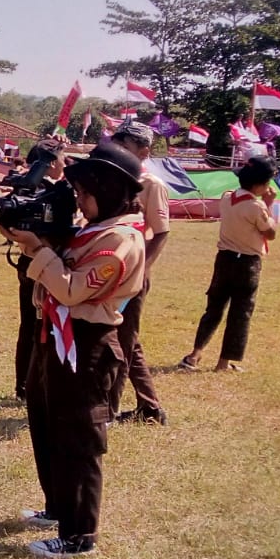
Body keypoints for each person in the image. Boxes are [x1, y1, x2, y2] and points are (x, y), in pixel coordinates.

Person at [2, 141, 146, 559]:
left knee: (79, 437)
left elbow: (71, 290)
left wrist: (41, 249)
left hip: (87, 345)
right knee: (48, 425)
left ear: (109, 189)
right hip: (58, 339)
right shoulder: (92, 231)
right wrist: (29, 237)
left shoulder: (119, 239)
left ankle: (80, 536)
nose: (78, 200)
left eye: (85, 192)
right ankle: (58, 507)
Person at [179, 156, 277, 373]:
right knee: (240, 312)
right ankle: (224, 362)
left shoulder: (226, 198)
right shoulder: (256, 206)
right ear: (260, 184)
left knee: (213, 307)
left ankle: (195, 354)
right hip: (247, 263)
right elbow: (270, 234)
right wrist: (268, 206)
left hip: (224, 259)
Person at [107, 122, 168, 423]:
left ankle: (108, 409)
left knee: (122, 340)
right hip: (107, 269)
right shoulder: (110, 177)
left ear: (143, 152)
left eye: (124, 146)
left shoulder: (151, 184)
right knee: (126, 336)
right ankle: (150, 407)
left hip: (132, 273)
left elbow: (161, 231)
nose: (117, 150)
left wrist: (143, 270)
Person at [10, 140, 65, 399]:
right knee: (36, 327)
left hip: (38, 262)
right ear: (52, 162)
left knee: (34, 327)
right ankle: (28, 385)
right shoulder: (38, 191)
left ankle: (29, 384)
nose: (65, 164)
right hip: (38, 264)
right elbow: (5, 218)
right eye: (62, 159)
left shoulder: (42, 190)